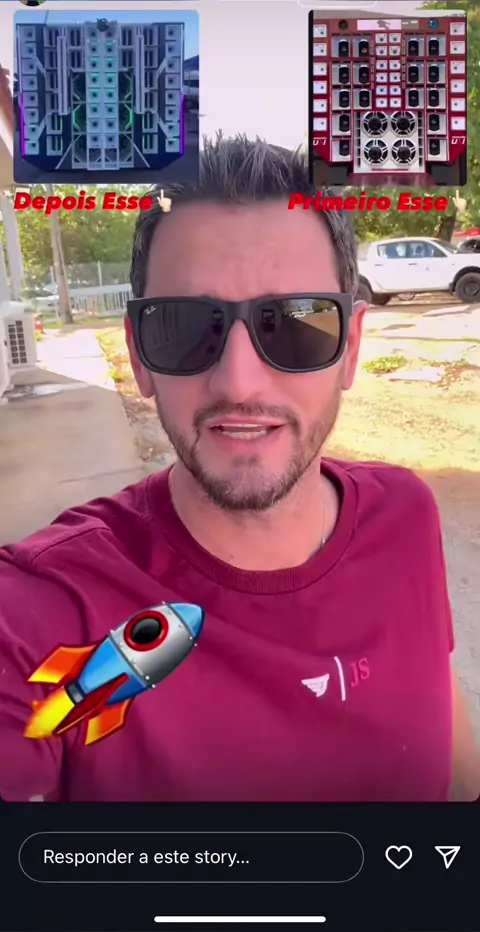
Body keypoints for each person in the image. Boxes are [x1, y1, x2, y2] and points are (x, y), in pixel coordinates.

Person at [0, 136, 479, 802]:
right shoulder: (41, 612)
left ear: (350, 348)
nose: (239, 381)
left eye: (294, 324)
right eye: (185, 326)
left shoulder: (406, 514)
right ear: (138, 355)